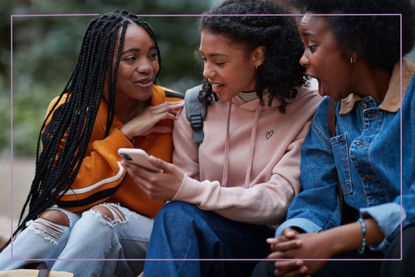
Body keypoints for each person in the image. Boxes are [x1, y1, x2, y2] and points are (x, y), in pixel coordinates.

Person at [121, 0, 322, 276]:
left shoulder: (309, 109)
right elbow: (182, 204)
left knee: (178, 214)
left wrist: (184, 188)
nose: (206, 72)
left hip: (267, 246)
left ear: (257, 56)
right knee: (175, 214)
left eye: (219, 61)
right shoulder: (196, 105)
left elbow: (277, 203)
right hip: (205, 239)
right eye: (204, 59)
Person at [0, 10, 183, 277]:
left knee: (102, 217)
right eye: (131, 58)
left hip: (154, 232)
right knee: (53, 220)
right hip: (84, 225)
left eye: (152, 55)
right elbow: (67, 194)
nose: (147, 67)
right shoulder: (69, 112)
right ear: (100, 64)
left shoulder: (173, 108)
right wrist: (126, 134)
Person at [253, 0, 415, 276]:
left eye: (312, 46)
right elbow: (317, 198)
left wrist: (335, 239)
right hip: (364, 252)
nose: (302, 59)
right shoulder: (328, 116)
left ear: (353, 48)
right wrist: (295, 236)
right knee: (275, 270)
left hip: (403, 247)